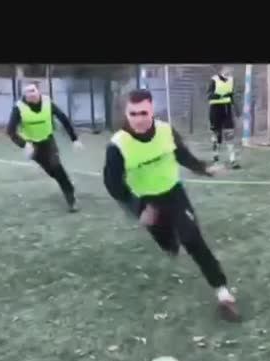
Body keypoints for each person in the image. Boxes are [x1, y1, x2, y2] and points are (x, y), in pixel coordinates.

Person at [103, 89, 240, 321]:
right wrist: (138, 208)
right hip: (147, 203)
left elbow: (182, 155)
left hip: (174, 194)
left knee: (193, 239)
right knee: (168, 244)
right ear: (126, 113)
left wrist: (204, 168)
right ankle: (170, 245)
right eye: (133, 114)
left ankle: (223, 293)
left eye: (143, 113)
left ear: (152, 110)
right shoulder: (117, 145)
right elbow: (113, 184)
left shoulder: (166, 131)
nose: (138, 119)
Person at [6, 83, 84, 213]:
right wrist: (24, 144)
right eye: (28, 92)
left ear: (39, 91)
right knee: (51, 172)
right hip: (32, 145)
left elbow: (63, 119)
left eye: (33, 90)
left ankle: (71, 197)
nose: (31, 94)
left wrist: (74, 139)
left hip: (48, 141)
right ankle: (67, 184)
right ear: (24, 95)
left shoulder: (48, 103)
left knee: (56, 166)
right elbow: (10, 131)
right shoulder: (18, 108)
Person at [207, 66, 240, 169]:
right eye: (227, 69)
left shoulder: (231, 80)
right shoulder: (214, 80)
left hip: (227, 110)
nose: (230, 71)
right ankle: (215, 158)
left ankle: (233, 160)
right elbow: (209, 95)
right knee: (217, 136)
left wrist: (236, 108)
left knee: (229, 134)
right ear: (222, 70)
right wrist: (220, 95)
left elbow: (231, 95)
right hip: (215, 111)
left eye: (231, 70)